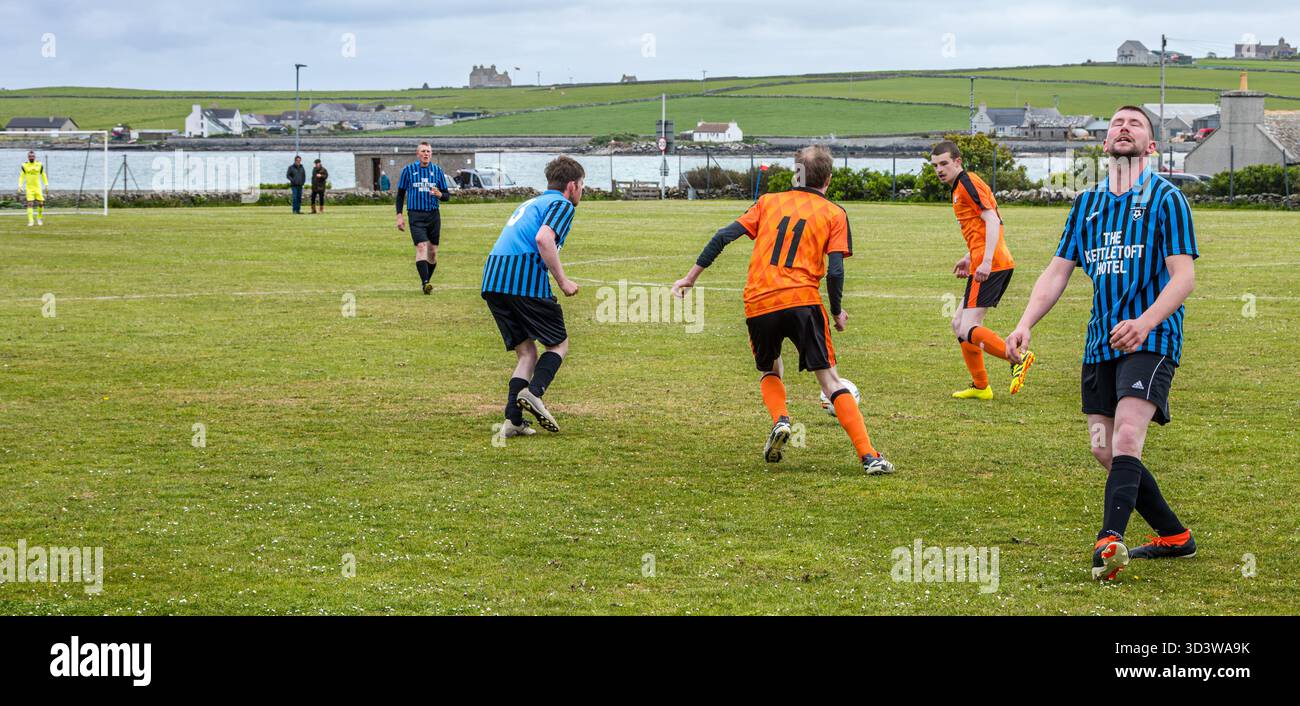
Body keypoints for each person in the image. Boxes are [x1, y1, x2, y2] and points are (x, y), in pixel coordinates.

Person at [1005, 106, 1199, 582]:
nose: (1124, 128)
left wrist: (1146, 321)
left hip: (1151, 338)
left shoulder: (1166, 199)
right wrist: (1026, 322)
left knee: (1129, 435)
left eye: (1136, 124)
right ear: (1105, 141)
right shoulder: (1087, 203)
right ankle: (1175, 537)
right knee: (1104, 448)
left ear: (1151, 146)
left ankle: (1107, 542)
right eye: (1116, 123)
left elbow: (1184, 277)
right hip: (1099, 343)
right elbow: (1057, 272)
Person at [671, 145, 894, 475]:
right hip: (802, 301)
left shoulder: (768, 202)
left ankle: (781, 420)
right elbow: (834, 271)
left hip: (759, 302)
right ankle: (869, 456)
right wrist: (836, 312)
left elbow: (722, 236)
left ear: (795, 173)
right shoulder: (834, 213)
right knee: (831, 380)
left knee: (771, 369)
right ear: (828, 179)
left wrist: (690, 278)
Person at [481, 155, 583, 439]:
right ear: (572, 185)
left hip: (493, 278)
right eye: (582, 186)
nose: (581, 192)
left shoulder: (530, 202)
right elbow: (543, 238)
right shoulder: (561, 204)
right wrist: (562, 281)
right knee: (559, 344)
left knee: (527, 352)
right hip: (521, 278)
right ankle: (535, 393)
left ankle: (513, 420)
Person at [929, 140, 1034, 399]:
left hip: (992, 265)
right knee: (958, 324)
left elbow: (993, 220)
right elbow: (984, 225)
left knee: (967, 327)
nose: (939, 169)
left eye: (944, 163)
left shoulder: (967, 183)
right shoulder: (960, 186)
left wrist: (985, 261)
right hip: (986, 262)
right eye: (935, 165)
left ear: (958, 162)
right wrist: (970, 257)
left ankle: (1018, 358)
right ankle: (981, 387)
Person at [396, 142, 452, 294]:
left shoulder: (437, 171)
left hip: (433, 215)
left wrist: (440, 195)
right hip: (415, 214)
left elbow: (446, 196)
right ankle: (425, 282)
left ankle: (426, 281)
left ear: (431, 154)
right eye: (423, 151)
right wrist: (399, 215)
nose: (426, 154)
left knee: (432, 252)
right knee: (421, 247)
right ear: (417, 154)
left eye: (428, 151)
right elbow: (400, 194)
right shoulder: (408, 171)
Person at [18, 150, 48, 227]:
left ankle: (39, 218)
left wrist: (46, 185)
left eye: (33, 156)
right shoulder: (24, 165)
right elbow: (22, 176)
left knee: (41, 203)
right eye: (30, 156)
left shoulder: (39, 164)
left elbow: (43, 174)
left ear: (35, 157)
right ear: (28, 157)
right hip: (29, 188)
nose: (31, 157)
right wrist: (20, 185)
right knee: (30, 204)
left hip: (38, 187)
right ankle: (31, 221)